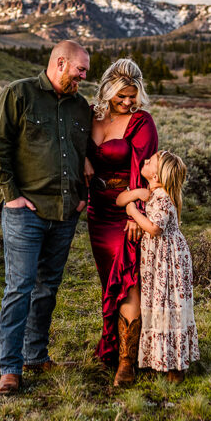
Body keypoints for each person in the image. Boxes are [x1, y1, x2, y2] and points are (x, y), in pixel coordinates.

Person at [0, 40, 92, 395]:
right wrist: (11, 196)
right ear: (60, 63)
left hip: (65, 213)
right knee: (20, 288)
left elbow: (87, 157)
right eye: (80, 70)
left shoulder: (81, 107)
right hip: (25, 213)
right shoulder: (20, 95)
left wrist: (81, 200)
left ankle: (35, 355)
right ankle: (10, 369)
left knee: (48, 289)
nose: (83, 77)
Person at [86, 58, 158, 387]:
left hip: (127, 212)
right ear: (108, 91)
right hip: (96, 212)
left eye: (133, 95)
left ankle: (127, 362)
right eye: (122, 96)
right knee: (108, 282)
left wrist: (136, 212)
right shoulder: (92, 116)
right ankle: (111, 349)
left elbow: (142, 168)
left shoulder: (142, 122)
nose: (128, 102)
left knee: (129, 281)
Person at [117, 150, 199, 383]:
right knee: (158, 303)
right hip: (158, 260)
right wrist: (133, 194)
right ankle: (162, 358)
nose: (144, 161)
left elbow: (154, 228)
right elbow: (119, 200)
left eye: (150, 161)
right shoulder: (150, 192)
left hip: (169, 260)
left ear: (158, 176)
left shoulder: (163, 198)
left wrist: (132, 211)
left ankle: (176, 364)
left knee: (171, 305)